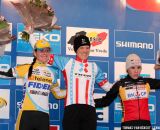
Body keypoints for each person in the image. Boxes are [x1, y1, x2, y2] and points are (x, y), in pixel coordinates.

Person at [29, 33, 111, 130]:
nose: (85, 51)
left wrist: (121, 86)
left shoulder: (94, 67)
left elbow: (107, 86)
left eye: (87, 47)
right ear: (76, 49)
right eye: (81, 48)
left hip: (89, 110)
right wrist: (30, 36)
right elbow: (43, 55)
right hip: (72, 110)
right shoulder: (67, 62)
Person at [0, 39, 66, 130]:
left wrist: (74, 91)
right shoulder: (27, 68)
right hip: (26, 114)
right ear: (35, 53)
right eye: (41, 50)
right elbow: (5, 74)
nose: (44, 53)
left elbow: (58, 94)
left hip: (44, 116)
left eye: (47, 50)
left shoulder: (52, 73)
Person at [95, 53, 160, 130]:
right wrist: (87, 102)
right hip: (128, 124)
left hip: (145, 124)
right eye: (132, 67)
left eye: (138, 67)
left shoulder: (147, 82)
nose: (136, 71)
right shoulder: (120, 84)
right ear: (127, 69)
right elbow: (105, 101)